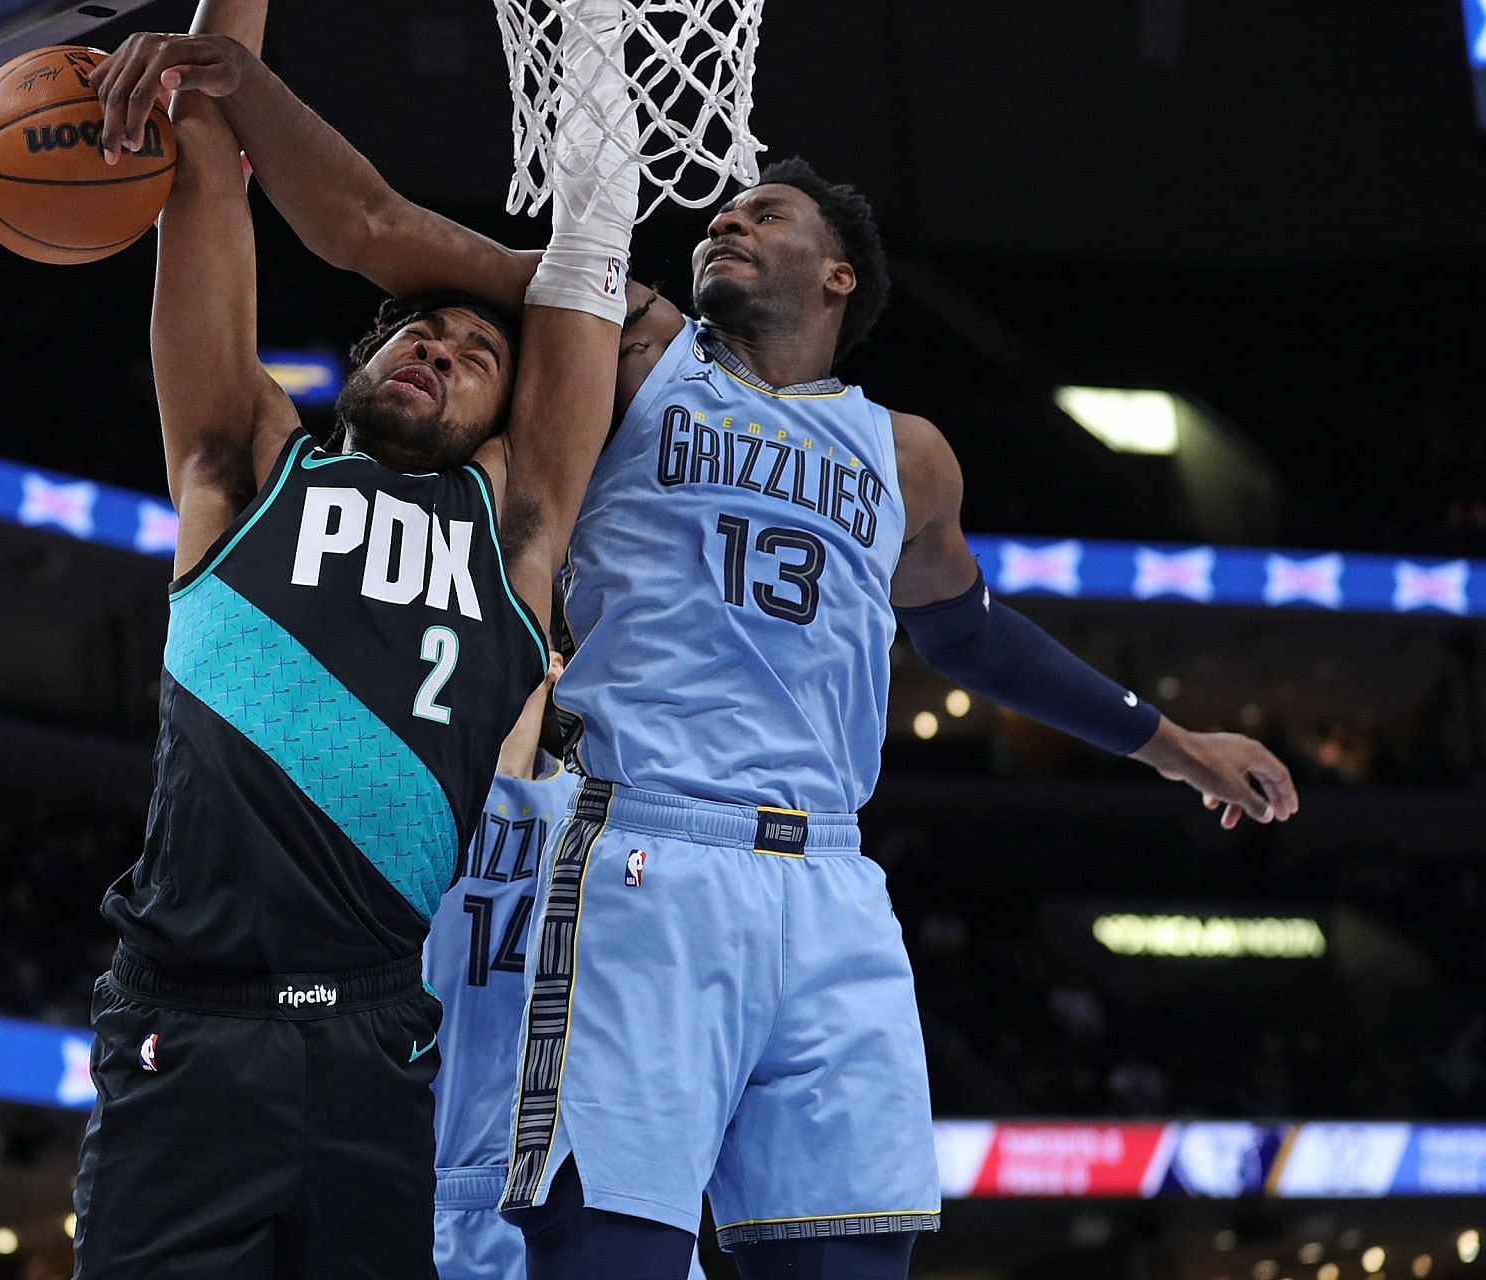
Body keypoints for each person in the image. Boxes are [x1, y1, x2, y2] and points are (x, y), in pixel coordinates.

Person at [121, 29, 1300, 1280]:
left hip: (834, 877)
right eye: (722, 210)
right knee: (605, 1251)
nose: (725, 221)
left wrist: (1169, 744)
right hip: (641, 849)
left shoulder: (910, 456)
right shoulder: (636, 348)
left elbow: (964, 628)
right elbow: (371, 225)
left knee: (845, 1256)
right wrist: (243, 85)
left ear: (841, 275)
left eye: (766, 212)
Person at [72, 2, 638, 1275]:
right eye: (414, 334)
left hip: (383, 1043)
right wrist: (217, 36)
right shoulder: (246, 458)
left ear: (508, 419)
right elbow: (208, 163)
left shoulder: (518, 523)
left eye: (477, 353)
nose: (436, 345)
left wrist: (594, 46)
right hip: (188, 1024)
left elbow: (594, 254)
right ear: (360, 362)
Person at [423, 651, 711, 1280]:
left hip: (590, 1190)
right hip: (432, 1190)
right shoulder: (409, 802)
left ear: (554, 667)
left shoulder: (617, 814)